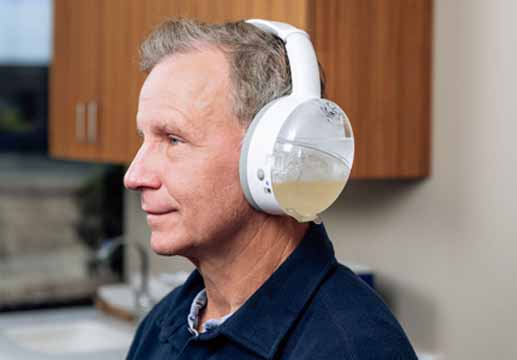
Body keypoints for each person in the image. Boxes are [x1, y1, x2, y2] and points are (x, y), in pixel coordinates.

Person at [124, 18, 417, 359]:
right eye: (144, 140)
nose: (134, 175)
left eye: (174, 139)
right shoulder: (161, 326)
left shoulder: (352, 349)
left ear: (272, 152)